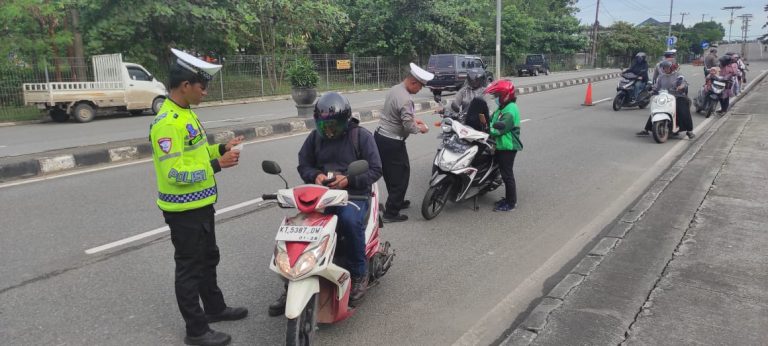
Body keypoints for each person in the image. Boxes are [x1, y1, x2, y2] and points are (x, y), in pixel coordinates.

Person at [149, 48, 247, 346]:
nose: (205, 92)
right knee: (189, 268)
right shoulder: (167, 123)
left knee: (209, 258)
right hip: (183, 210)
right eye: (201, 86)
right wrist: (218, 165)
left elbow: (195, 153)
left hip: (201, 203)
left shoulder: (187, 114)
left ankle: (215, 308)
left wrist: (220, 149)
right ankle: (196, 330)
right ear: (184, 86)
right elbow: (174, 172)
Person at [268, 92, 383, 315]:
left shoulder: (361, 136)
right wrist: (315, 176)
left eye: (334, 125)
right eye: (324, 125)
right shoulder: (314, 138)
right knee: (299, 227)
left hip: (353, 195)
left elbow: (375, 169)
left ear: (346, 120)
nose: (329, 130)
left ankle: (359, 274)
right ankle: (291, 281)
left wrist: (348, 179)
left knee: (348, 221)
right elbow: (304, 164)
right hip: (321, 194)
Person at [375, 63, 433, 222]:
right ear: (413, 82)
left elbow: (398, 115)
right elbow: (408, 126)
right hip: (392, 142)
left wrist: (414, 119)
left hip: (381, 138)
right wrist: (420, 128)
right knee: (401, 176)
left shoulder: (396, 89)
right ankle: (391, 213)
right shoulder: (406, 99)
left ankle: (396, 202)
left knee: (390, 174)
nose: (419, 90)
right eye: (420, 87)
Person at [484, 80, 523, 212]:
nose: (496, 98)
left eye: (498, 95)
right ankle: (507, 199)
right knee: (502, 172)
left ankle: (511, 203)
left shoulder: (510, 110)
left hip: (508, 147)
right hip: (500, 145)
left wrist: (486, 129)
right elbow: (491, 119)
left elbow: (499, 129)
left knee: (507, 175)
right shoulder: (502, 108)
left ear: (506, 95)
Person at [636, 60, 695, 139]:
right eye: (664, 68)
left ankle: (689, 131)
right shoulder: (661, 77)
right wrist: (651, 91)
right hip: (664, 96)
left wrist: (681, 86)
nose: (665, 69)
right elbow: (656, 87)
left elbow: (683, 83)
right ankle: (646, 129)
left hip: (677, 96)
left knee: (683, 109)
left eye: (667, 67)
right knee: (656, 109)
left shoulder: (678, 75)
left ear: (671, 67)